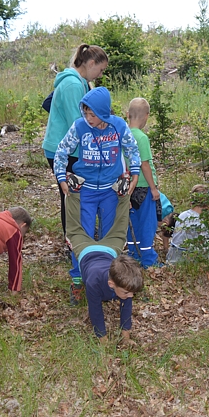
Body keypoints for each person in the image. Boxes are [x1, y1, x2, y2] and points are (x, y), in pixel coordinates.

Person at [54, 87, 141, 306]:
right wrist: (61, 177)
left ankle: (110, 277)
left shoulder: (118, 126)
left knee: (110, 236)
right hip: (85, 191)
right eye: (85, 113)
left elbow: (132, 149)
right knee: (78, 236)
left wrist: (135, 172)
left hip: (111, 190)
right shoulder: (80, 126)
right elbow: (62, 150)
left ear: (103, 111)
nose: (88, 118)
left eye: (92, 114)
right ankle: (77, 278)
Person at [42, 44, 108, 238]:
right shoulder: (72, 85)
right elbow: (77, 123)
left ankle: (79, 235)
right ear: (91, 63)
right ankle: (73, 239)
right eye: (101, 69)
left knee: (75, 194)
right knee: (71, 196)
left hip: (71, 149)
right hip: (62, 150)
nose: (100, 75)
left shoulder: (78, 82)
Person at [66, 188, 143, 345]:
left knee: (120, 231)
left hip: (109, 250)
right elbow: (95, 311)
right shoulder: (93, 282)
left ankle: (123, 195)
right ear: (111, 284)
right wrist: (103, 340)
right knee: (74, 230)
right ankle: (73, 193)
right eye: (128, 293)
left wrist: (126, 337)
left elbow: (126, 308)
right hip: (86, 251)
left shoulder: (125, 284)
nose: (130, 296)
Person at [126, 97, 162, 268]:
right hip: (143, 187)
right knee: (147, 223)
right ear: (146, 116)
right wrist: (154, 188)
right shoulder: (141, 138)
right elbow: (144, 164)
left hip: (127, 187)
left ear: (128, 115)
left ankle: (133, 255)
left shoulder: (122, 135)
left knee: (132, 222)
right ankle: (149, 259)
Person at [167, 185, 209, 264]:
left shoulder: (183, 215)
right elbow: (207, 247)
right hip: (186, 260)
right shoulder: (200, 223)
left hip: (172, 257)